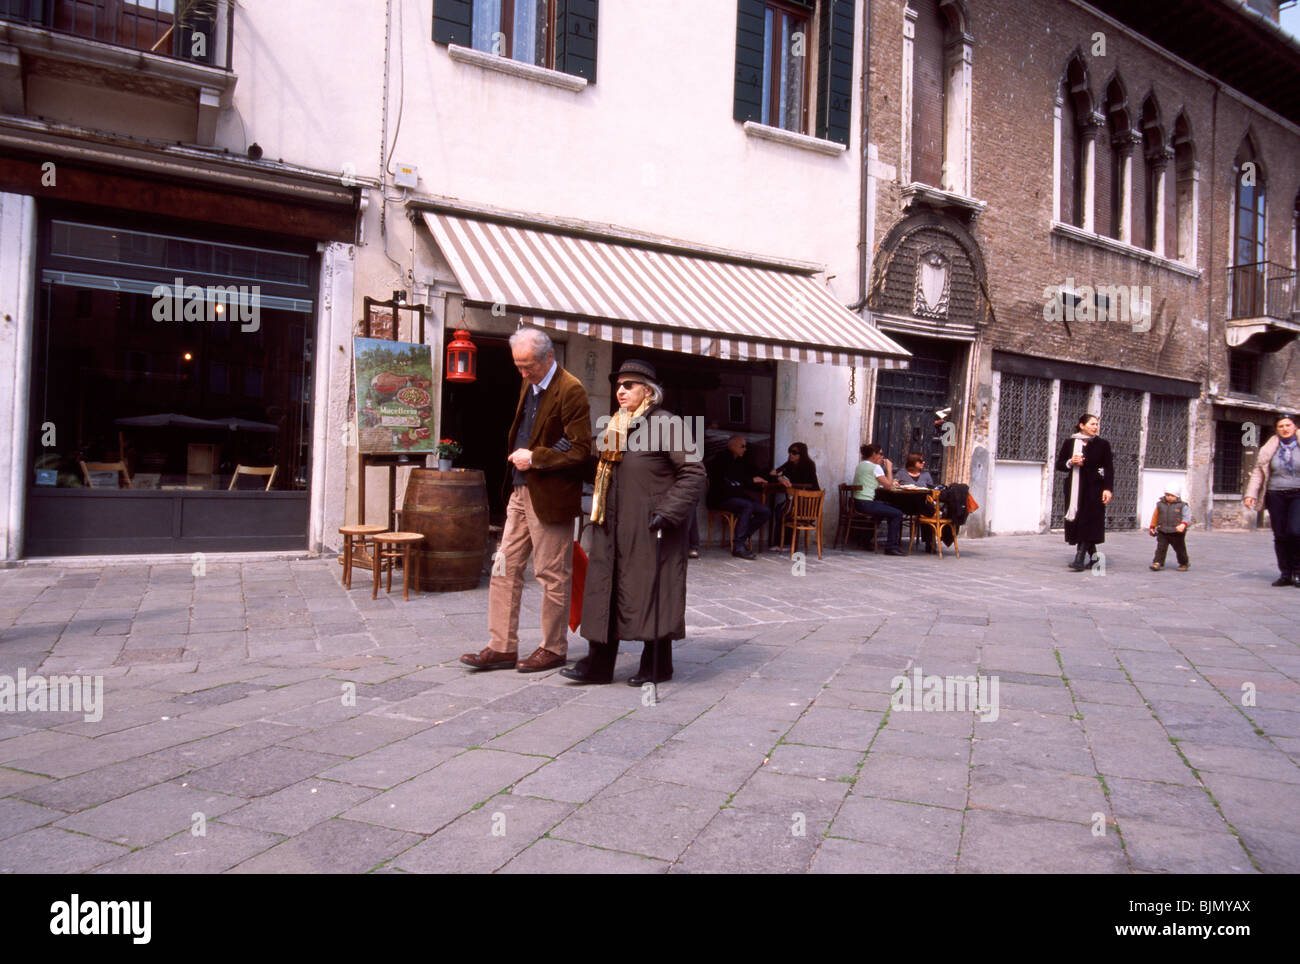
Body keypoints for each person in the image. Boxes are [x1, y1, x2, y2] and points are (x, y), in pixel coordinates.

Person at [561, 360, 706, 685]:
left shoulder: (667, 424)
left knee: (651, 592)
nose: (621, 391)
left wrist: (668, 513)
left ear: (648, 391)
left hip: (652, 527)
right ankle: (598, 665)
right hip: (611, 525)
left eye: (629, 385)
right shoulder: (616, 424)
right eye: (618, 386)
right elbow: (602, 471)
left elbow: (694, 472)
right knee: (604, 592)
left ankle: (657, 665)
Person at [461, 328, 592, 673]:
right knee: (503, 566)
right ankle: (502, 646)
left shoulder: (571, 389)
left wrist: (536, 458)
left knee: (551, 574)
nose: (522, 373)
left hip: (550, 496)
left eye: (528, 366)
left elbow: (580, 449)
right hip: (520, 491)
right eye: (518, 366)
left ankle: (553, 648)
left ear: (549, 357)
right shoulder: (529, 383)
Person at [1244, 413, 1300, 587]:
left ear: (1295, 427)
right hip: (1275, 494)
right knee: (1280, 535)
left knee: (1295, 531)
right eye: (1281, 426)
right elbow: (1258, 473)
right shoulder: (1269, 448)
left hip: (1298, 493)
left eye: (1288, 425)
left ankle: (1298, 572)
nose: (1284, 429)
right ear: (1276, 429)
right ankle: (1285, 573)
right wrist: (1250, 494)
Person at [1054, 413, 1114, 571]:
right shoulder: (1070, 442)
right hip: (1075, 488)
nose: (1095, 427)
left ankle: (1079, 559)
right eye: (1092, 424)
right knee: (1079, 521)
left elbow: (1109, 468)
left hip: (1095, 488)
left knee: (1089, 521)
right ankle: (1095, 560)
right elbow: (1059, 465)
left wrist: (1108, 488)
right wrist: (1070, 462)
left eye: (1096, 424)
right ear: (1082, 425)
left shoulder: (1102, 444)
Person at [706, 435, 771, 560]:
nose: (745, 449)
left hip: (736, 497)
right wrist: (750, 481)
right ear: (732, 446)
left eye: (746, 446)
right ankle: (739, 547)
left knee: (765, 511)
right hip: (720, 498)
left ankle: (741, 538)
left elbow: (752, 473)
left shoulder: (740, 461)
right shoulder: (720, 460)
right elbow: (725, 483)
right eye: (742, 446)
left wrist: (773, 475)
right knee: (747, 506)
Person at [852, 444, 905, 556]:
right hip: (866, 503)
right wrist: (889, 469)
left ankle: (865, 540)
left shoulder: (861, 465)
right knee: (897, 513)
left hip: (857, 502)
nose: (882, 456)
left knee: (885, 508)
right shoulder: (876, 467)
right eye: (880, 454)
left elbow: (869, 482)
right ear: (873, 454)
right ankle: (891, 547)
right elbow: (889, 486)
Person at [767, 442, 820, 548]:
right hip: (796, 501)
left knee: (781, 510)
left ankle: (781, 543)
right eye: (790, 452)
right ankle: (785, 543)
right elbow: (773, 473)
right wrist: (780, 478)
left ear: (802, 454)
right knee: (781, 509)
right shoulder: (789, 465)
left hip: (808, 505)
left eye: (794, 452)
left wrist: (784, 479)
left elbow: (807, 485)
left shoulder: (808, 465)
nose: (791, 454)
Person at [1148, 488, 1191, 571]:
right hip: (1163, 530)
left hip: (1176, 532)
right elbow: (1155, 516)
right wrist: (1152, 527)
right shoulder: (1160, 505)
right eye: (1167, 495)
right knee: (1161, 548)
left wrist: (1183, 524)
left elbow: (1187, 517)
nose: (1169, 497)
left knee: (1180, 549)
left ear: (1177, 496)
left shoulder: (1182, 505)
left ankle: (1184, 563)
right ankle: (1157, 562)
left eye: (1172, 496)